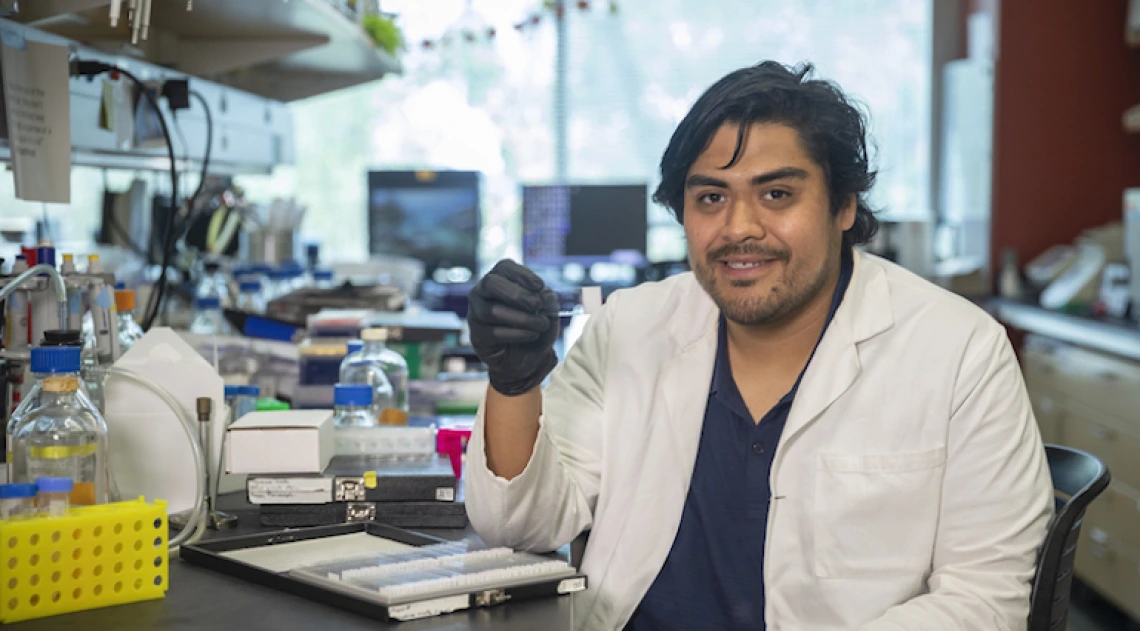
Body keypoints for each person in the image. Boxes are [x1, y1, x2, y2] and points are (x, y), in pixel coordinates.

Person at [464, 61, 1053, 631]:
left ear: (844, 206)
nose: (739, 227)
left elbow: (986, 602)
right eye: (711, 198)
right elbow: (522, 527)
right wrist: (515, 383)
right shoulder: (630, 326)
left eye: (776, 195)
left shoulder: (959, 351)